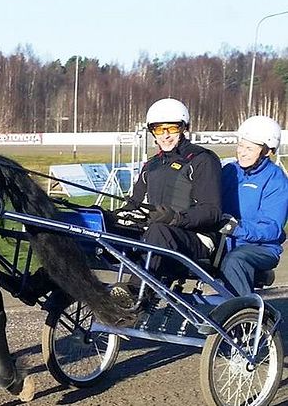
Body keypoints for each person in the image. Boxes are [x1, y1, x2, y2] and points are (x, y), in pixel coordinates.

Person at [112, 98, 222, 307]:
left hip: (196, 240)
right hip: (157, 237)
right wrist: (112, 216)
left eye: (171, 128)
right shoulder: (151, 165)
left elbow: (212, 211)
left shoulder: (203, 160)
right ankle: (54, 282)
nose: (165, 135)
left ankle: (136, 294)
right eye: (158, 129)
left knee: (158, 230)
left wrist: (176, 218)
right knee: (100, 226)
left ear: (184, 128)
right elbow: (133, 204)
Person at [219, 115, 288, 296]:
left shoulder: (276, 180)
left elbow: (272, 228)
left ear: (266, 151)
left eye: (249, 148)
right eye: (241, 146)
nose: (241, 152)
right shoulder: (229, 171)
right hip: (224, 243)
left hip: (261, 248)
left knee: (235, 260)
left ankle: (247, 314)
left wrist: (235, 227)